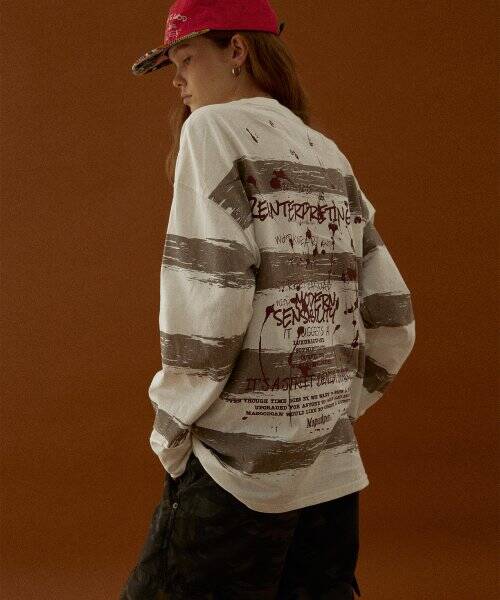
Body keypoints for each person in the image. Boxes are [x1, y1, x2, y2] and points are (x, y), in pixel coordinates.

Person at [120, 0, 416, 598]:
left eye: (186, 58)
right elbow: (391, 315)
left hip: (238, 476)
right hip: (330, 477)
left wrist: (172, 428)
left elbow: (212, 303)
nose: (177, 80)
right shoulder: (325, 152)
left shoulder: (212, 130)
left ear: (237, 50)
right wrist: (329, 411)